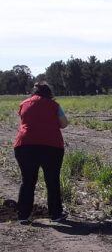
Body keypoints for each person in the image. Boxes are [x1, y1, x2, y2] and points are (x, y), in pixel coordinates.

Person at [13, 81, 69, 224]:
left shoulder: (24, 103)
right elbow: (63, 124)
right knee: (52, 181)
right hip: (51, 146)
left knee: (27, 181)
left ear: (33, 92)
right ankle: (56, 214)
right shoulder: (54, 105)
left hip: (24, 145)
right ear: (49, 92)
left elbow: (23, 119)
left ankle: (23, 216)